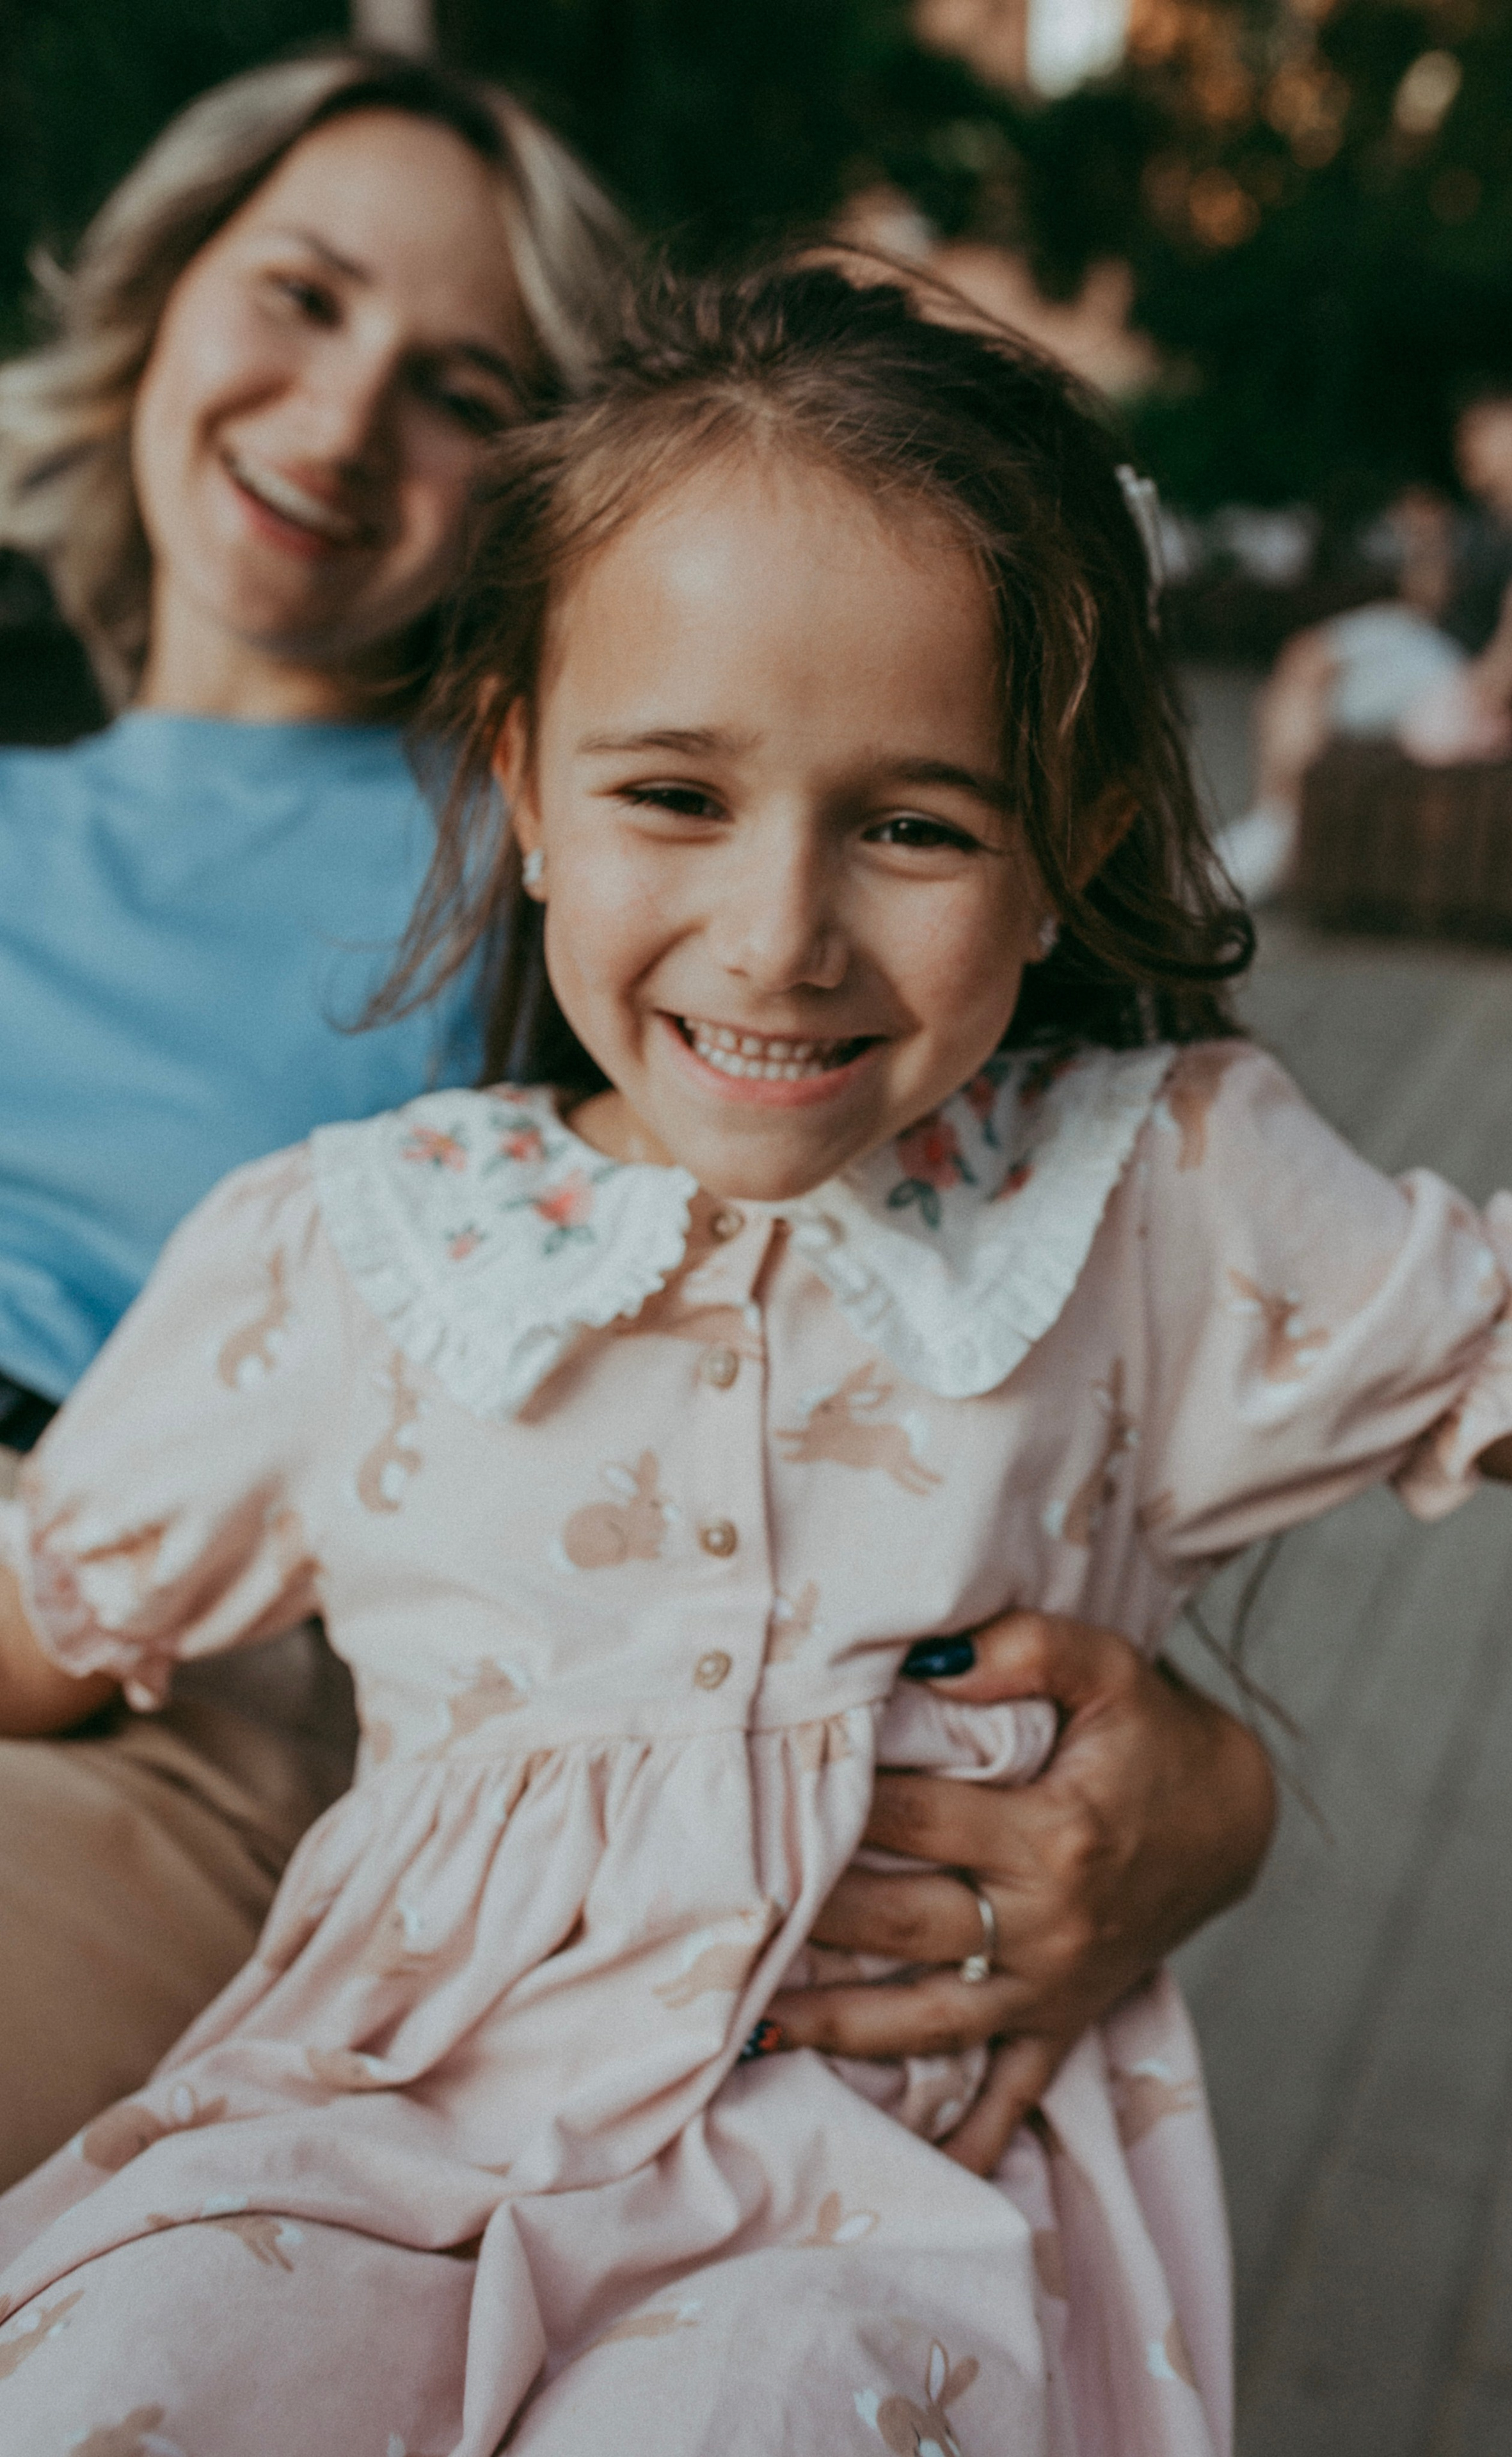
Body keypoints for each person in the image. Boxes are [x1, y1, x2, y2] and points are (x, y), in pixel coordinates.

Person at [1, 257, 1512, 2454]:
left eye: (916, 824)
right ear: (527, 783)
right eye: (676, 794)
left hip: (874, 2218)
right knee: (120, 2371)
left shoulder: (1156, 1197)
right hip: (366, 2148)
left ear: (1063, 859)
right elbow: (47, 1618)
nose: (782, 931)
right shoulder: (350, 1250)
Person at [0, 59, 1278, 2188]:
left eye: (456, 383)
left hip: (131, 1665)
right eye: (301, 300)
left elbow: (925, 1322)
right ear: (158, 295)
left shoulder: (590, 882)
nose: (334, 423)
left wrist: (1211, 1791)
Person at [1218, 388, 1512, 902]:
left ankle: (1277, 830)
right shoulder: (1504, 514)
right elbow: (1429, 603)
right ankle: (1278, 828)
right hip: (1432, 645)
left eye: (1479, 434)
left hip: (1450, 666)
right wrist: (1427, 542)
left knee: (1304, 681)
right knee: (1305, 664)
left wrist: (1488, 700)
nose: (1465, 449)